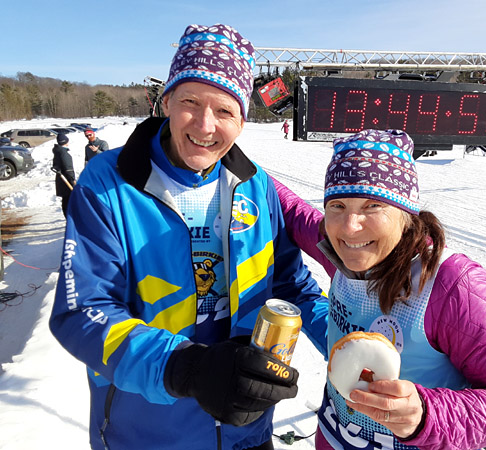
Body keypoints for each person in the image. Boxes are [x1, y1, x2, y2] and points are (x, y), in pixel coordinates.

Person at [49, 23, 328, 450]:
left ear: (242, 120)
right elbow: (81, 310)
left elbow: (290, 285)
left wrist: (342, 338)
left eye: (224, 111)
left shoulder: (256, 186)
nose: (204, 124)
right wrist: (186, 368)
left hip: (245, 427)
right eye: (190, 102)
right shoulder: (106, 184)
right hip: (148, 431)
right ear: (166, 102)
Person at [273, 129, 486, 450]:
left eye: (372, 205)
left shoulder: (451, 284)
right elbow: (292, 211)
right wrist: (224, 153)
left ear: (404, 213)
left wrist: (427, 415)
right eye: (337, 205)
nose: (350, 226)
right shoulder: (340, 247)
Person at [51, 133, 76, 217]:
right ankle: (70, 218)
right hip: (66, 181)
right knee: (69, 200)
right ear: (66, 141)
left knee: (65, 200)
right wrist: (73, 180)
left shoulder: (57, 151)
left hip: (61, 180)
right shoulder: (64, 153)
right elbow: (68, 168)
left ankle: (68, 217)